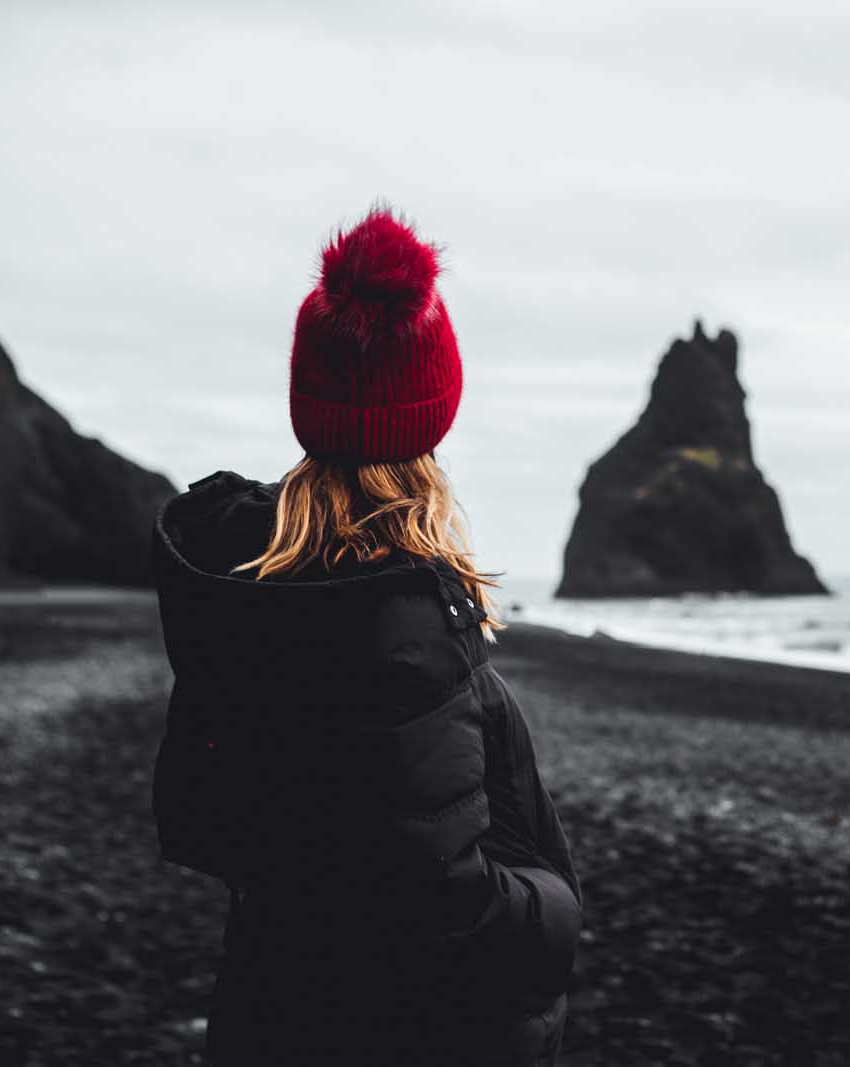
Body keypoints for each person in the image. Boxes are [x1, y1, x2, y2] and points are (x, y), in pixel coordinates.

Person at [149, 208, 581, 1066]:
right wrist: (555, 907)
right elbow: (442, 901)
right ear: (432, 414)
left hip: (272, 1007)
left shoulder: (252, 592)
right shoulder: (401, 630)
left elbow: (195, 818)